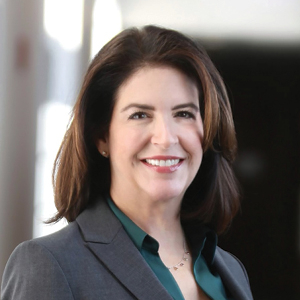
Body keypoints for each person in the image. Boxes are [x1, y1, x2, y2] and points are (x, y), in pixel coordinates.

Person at [1, 25, 253, 300]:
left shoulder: (230, 270)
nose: (166, 138)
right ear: (101, 137)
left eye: (183, 113)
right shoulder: (48, 265)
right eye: (140, 115)